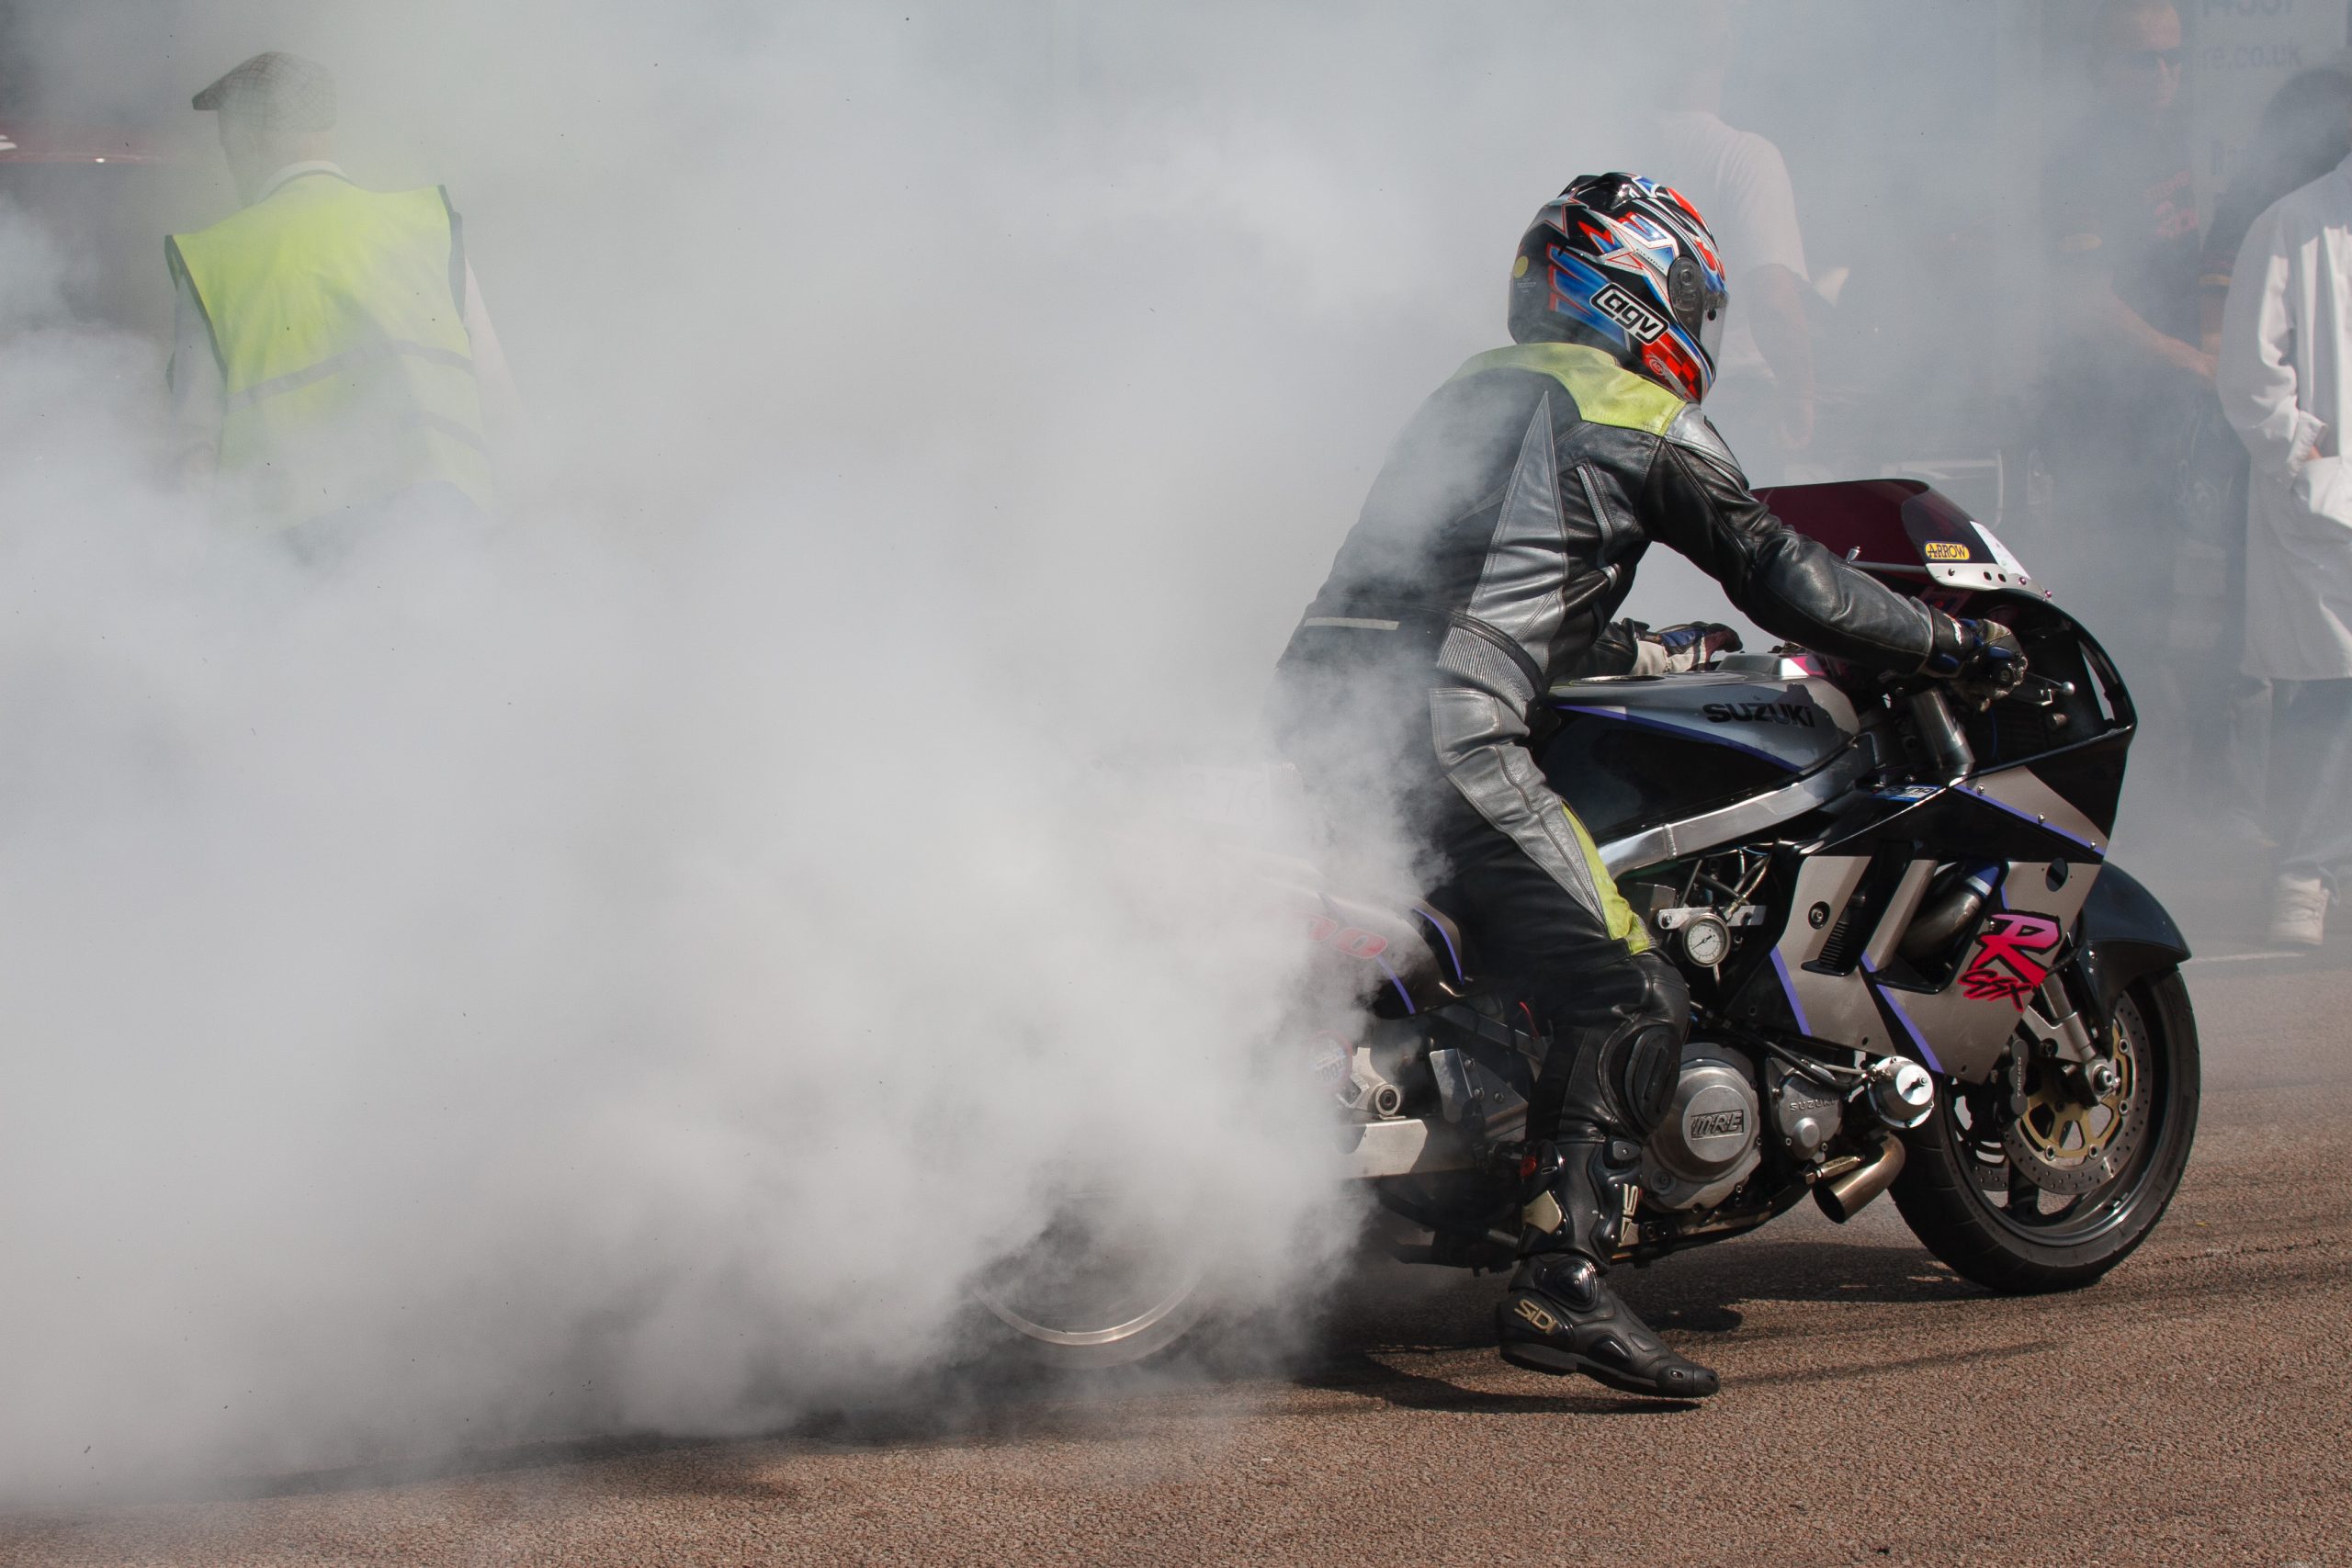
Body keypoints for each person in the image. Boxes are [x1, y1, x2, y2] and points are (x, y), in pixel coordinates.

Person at [1269, 175, 2017, 1399]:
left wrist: (1638, 650)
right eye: (1686, 301)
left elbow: (1481, 575)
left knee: (1520, 952)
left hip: (1331, 723)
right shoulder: (1635, 411)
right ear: (1635, 290)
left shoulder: (1467, 389)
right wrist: (1950, 641)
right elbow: (1789, 578)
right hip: (1454, 734)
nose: (1694, 332)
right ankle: (1562, 1273)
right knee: (1624, 983)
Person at [166, 51, 519, 544]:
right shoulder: (423, 226)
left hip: (296, 543)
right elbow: (496, 395)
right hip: (442, 525)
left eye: (228, 145)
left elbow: (195, 452)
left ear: (245, 138)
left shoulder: (214, 260)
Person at [2039, 0, 2207, 696]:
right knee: (2115, 598)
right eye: (2147, 60)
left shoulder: (2171, 144)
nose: (2165, 75)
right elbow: (2085, 301)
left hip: (2165, 413)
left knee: (2164, 594)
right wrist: (2189, 359)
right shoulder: (2082, 156)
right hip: (2101, 414)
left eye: (2175, 58)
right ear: (2105, 66)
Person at [2216, 139, 2352, 947]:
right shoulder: (2295, 225)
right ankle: (2304, 876)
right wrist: (2302, 453)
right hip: (2328, 507)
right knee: (2333, 695)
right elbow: (2250, 372)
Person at [1611, 0, 1815, 468]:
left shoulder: (1612, 144)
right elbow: (1773, 299)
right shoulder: (1745, 157)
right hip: (1728, 409)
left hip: (1625, 401)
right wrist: (1800, 397)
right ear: (1725, 48)